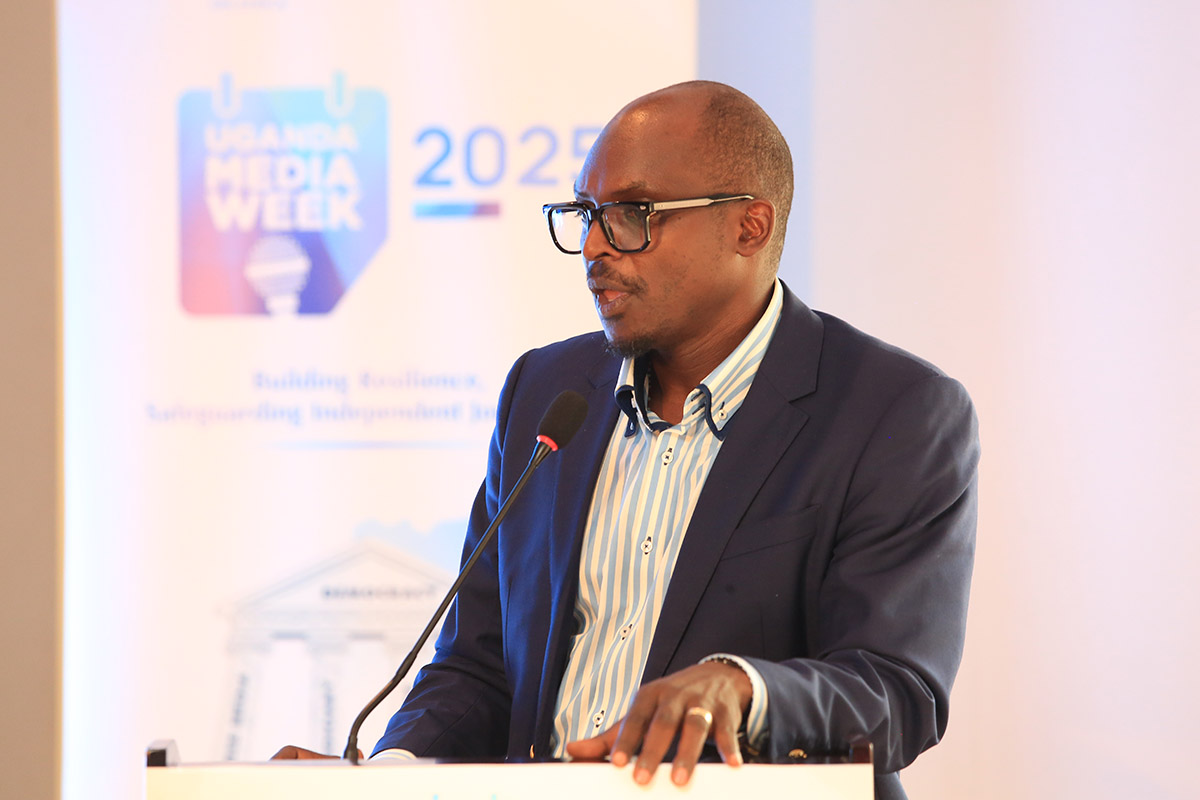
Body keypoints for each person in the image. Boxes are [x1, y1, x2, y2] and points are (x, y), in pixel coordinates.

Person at [278, 80, 978, 800]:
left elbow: (898, 691)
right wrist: (388, 778)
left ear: (749, 226)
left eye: (632, 214)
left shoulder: (894, 412)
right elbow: (478, 666)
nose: (593, 247)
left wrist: (744, 689)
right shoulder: (545, 394)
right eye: (586, 214)